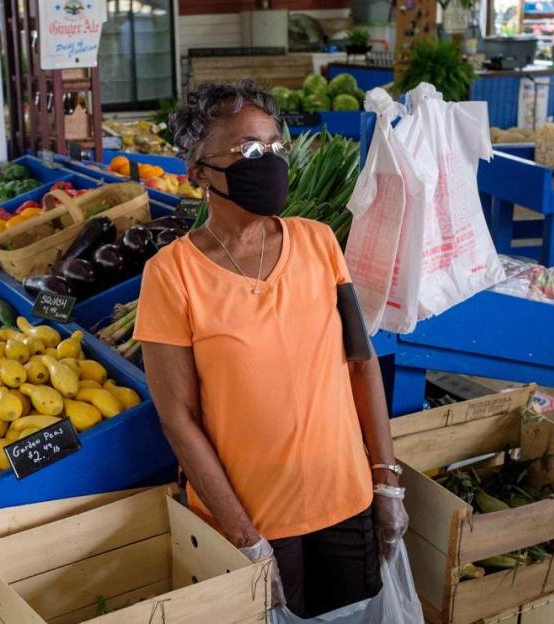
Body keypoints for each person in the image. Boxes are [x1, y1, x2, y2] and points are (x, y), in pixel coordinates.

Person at [132, 80, 408, 618]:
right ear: (198, 174)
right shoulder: (171, 275)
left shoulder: (319, 242)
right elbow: (179, 419)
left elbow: (361, 361)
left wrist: (386, 480)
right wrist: (242, 534)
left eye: (276, 147)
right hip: (256, 519)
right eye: (250, 151)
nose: (271, 161)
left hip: (345, 500)